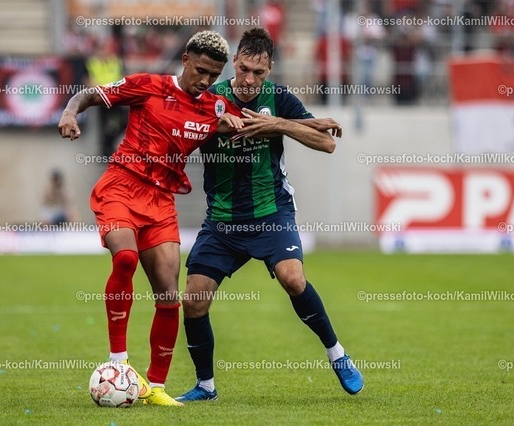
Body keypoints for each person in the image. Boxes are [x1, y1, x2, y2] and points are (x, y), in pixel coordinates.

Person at [58, 30, 254, 407]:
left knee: (168, 295)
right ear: (185, 59)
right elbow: (89, 95)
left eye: (214, 75)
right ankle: (119, 363)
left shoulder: (214, 107)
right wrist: (69, 113)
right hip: (122, 186)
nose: (205, 80)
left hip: (161, 201)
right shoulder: (148, 86)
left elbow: (241, 123)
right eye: (200, 71)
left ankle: (157, 388)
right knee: (125, 258)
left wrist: (296, 127)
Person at [176, 28, 363, 402]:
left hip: (271, 213)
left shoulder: (279, 99)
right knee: (194, 300)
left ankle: (337, 354)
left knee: (293, 279)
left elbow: (327, 142)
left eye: (258, 73)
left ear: (270, 69)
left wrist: (277, 124)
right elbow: (179, 131)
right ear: (234, 62)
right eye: (244, 69)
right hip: (223, 220)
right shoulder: (210, 97)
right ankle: (206, 386)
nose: (249, 80)